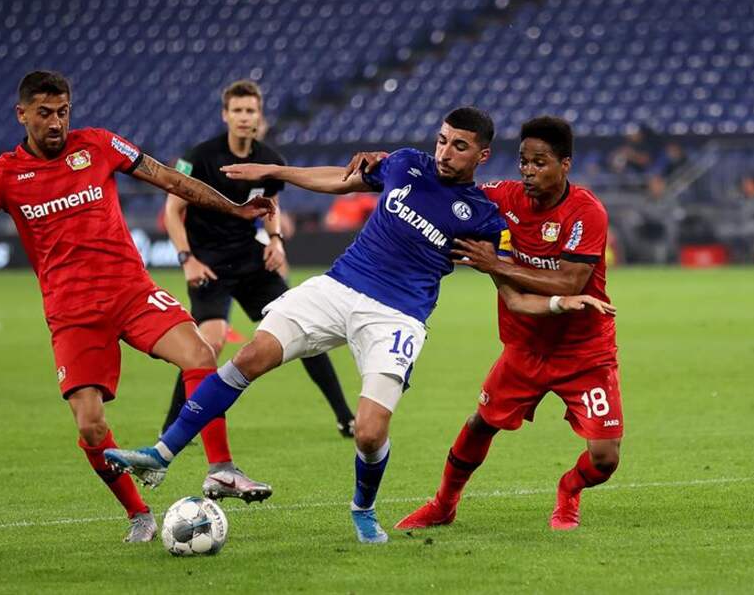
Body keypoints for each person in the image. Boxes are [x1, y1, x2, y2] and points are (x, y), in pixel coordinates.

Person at [104, 107, 613, 544]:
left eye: (458, 147)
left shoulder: (483, 216)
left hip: (397, 316)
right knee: (249, 356)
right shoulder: (407, 163)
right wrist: (272, 171)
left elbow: (513, 296)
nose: (443, 152)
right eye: (441, 140)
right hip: (340, 285)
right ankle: (162, 453)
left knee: (369, 433)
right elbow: (338, 178)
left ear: (480, 156)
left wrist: (556, 306)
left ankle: (363, 511)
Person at [0, 71, 275, 543]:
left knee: (200, 354)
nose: (56, 122)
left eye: (63, 111)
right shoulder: (4, 174)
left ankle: (220, 467)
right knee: (91, 426)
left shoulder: (99, 145)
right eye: (44, 113)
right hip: (72, 312)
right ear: (22, 115)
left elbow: (171, 179)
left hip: (130, 291)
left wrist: (235, 208)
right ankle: (138, 514)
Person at [390, 116, 623, 532]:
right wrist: (383, 166)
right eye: (524, 162)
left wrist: (496, 264)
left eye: (540, 163)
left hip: (584, 351)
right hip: (525, 348)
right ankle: (443, 504)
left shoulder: (587, 213)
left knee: (605, 459)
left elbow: (570, 281)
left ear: (565, 164)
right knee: (480, 423)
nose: (529, 171)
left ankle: (568, 490)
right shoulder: (501, 198)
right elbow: (448, 191)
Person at [160, 80, 355, 453]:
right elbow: (172, 210)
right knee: (208, 344)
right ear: (226, 115)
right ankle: (169, 430)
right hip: (208, 264)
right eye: (238, 111)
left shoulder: (270, 160)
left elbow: (269, 208)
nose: (244, 117)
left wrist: (276, 240)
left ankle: (345, 416)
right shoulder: (198, 157)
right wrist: (187, 259)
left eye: (251, 111)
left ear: (258, 116)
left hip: (251, 261)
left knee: (304, 329)